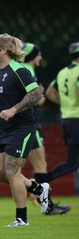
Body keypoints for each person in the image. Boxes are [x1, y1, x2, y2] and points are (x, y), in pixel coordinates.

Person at [0, 42, 71, 215]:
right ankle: (39, 189)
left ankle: (21, 218)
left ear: (3, 50)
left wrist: (14, 109)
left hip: (22, 127)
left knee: (13, 171)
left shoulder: (20, 70)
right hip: (3, 128)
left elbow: (36, 94)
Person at [45, 42, 79, 182]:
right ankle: (41, 182)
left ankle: (41, 182)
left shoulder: (62, 72)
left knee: (72, 162)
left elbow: (49, 92)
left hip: (66, 120)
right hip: (77, 119)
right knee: (72, 164)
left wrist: (65, 103)